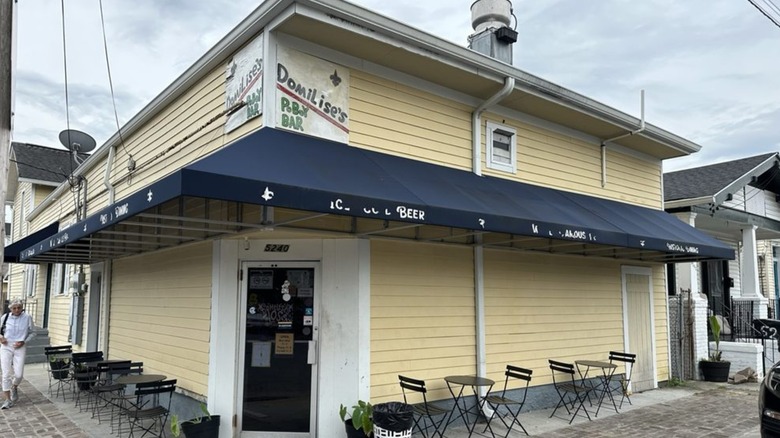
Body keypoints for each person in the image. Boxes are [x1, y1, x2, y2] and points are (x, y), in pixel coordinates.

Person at [0, 299, 36, 409]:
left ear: (22, 307)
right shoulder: (5, 317)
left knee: (19, 374)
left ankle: (14, 386)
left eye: (19, 307)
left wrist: (24, 341)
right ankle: (7, 399)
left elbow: (33, 332)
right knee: (6, 373)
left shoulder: (27, 317)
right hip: (6, 346)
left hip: (20, 346)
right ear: (10, 308)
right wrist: (1, 338)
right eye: (14, 308)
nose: (17, 310)